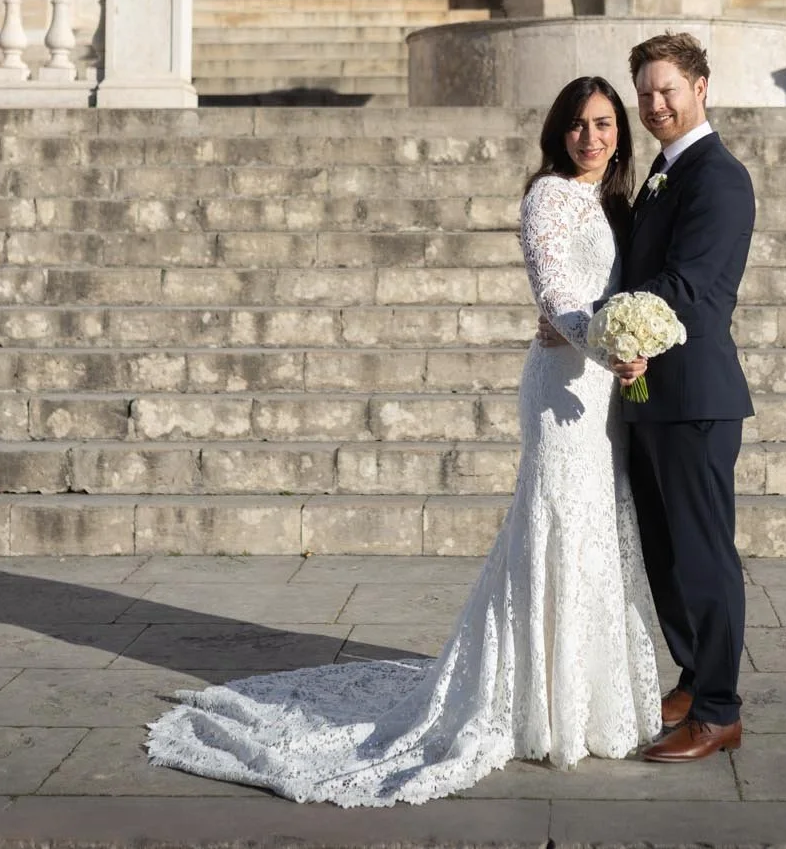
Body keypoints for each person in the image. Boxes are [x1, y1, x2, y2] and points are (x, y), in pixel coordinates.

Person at [145, 77, 663, 805]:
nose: (592, 136)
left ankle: (583, 694)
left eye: (605, 123)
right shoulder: (545, 196)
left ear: (620, 132)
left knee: (595, 528)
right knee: (553, 523)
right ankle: (533, 700)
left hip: (603, 391)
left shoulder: (615, 199)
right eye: (578, 124)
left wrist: (626, 342)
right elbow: (552, 294)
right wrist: (605, 342)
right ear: (558, 131)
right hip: (561, 386)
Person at [613, 32, 756, 762]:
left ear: (701, 86)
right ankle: (694, 677)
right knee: (666, 555)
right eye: (644, 91)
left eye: (667, 88)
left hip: (694, 394)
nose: (654, 102)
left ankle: (720, 709)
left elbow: (694, 286)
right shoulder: (662, 173)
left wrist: (620, 322)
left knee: (703, 554)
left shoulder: (718, 178)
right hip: (648, 394)